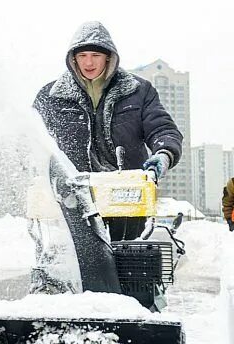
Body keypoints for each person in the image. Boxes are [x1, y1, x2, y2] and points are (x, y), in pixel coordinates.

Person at [34, 20, 183, 242]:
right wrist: (34, 169)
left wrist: (163, 154)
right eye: (82, 56)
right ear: (73, 58)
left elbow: (161, 127)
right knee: (83, 262)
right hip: (75, 195)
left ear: (109, 57)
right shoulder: (52, 96)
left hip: (126, 193)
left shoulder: (138, 91)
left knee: (126, 259)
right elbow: (31, 139)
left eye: (95, 55)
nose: (89, 62)